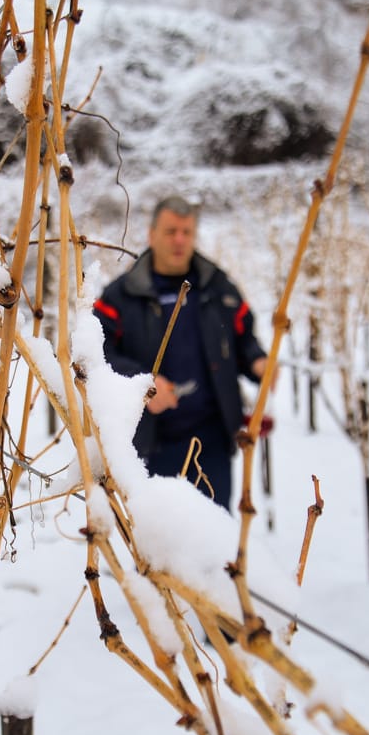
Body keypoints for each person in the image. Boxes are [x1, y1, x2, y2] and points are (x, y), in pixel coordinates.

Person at [93, 196, 269, 509]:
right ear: (151, 235)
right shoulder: (122, 295)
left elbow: (242, 335)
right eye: (171, 231)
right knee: (157, 548)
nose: (179, 240)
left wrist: (257, 360)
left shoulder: (217, 286)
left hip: (212, 442)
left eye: (187, 232)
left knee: (215, 542)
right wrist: (142, 385)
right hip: (151, 446)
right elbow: (96, 356)